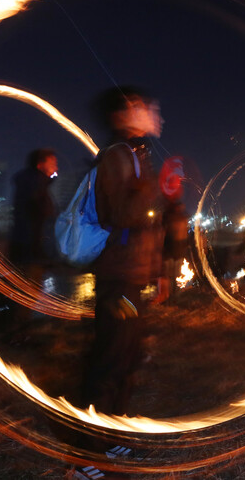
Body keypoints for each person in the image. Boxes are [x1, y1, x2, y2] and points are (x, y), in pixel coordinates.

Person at [83, 86, 164, 416]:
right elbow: (123, 215)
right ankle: (87, 453)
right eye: (146, 107)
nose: (156, 114)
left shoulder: (132, 154)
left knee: (126, 358)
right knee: (111, 360)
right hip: (117, 276)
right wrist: (153, 186)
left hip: (129, 274)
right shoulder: (117, 155)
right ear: (124, 113)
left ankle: (113, 432)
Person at [0, 148, 58, 332]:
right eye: (52, 162)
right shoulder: (35, 183)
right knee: (28, 290)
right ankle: (16, 331)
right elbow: (39, 214)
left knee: (17, 284)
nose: (56, 166)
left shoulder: (32, 181)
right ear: (40, 164)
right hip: (31, 245)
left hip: (24, 243)